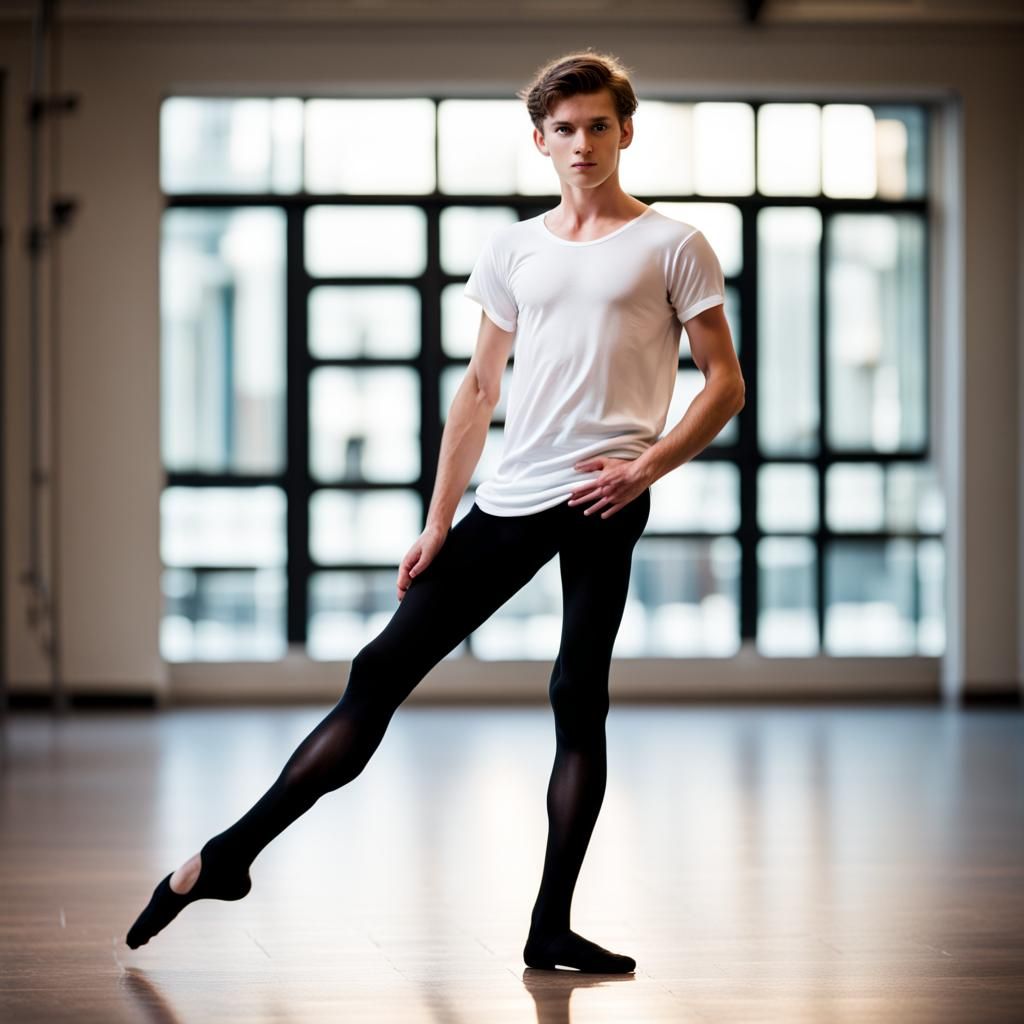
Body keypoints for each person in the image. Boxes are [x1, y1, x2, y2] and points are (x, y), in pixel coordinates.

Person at [126, 48, 745, 974]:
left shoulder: (674, 245)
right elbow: (478, 391)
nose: (583, 145)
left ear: (627, 130)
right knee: (377, 670)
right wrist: (438, 519)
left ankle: (550, 926)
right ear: (540, 140)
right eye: (565, 130)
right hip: (515, 494)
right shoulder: (513, 248)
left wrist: (644, 468)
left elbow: (725, 385)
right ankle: (226, 859)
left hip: (608, 496)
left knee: (579, 702)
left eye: (599, 126)